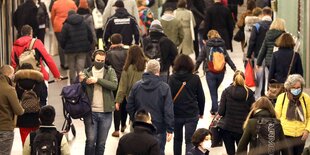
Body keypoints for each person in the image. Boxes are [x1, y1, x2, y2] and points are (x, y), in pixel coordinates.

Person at [126, 60, 174, 155]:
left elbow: (129, 105)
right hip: (159, 128)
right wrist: (170, 128)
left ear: (146, 70)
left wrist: (134, 119)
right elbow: (168, 110)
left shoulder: (137, 86)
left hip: (140, 126)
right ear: (158, 71)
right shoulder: (164, 88)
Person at [11, 25, 61, 106]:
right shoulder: (36, 42)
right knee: (42, 100)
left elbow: (13, 65)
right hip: (37, 77)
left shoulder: (15, 46)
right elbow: (47, 59)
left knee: (22, 102)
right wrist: (57, 75)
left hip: (21, 80)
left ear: (21, 33)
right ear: (31, 33)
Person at [79, 50, 118, 155]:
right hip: (90, 112)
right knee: (90, 141)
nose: (100, 62)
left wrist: (98, 80)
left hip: (106, 112)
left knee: (101, 143)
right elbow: (80, 90)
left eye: (102, 60)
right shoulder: (86, 71)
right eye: (98, 60)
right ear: (93, 59)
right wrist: (81, 81)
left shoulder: (110, 71)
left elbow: (114, 85)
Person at [168, 54, 205, 155]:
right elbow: (201, 97)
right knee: (189, 140)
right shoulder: (195, 78)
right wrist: (201, 112)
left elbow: (168, 98)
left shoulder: (171, 78)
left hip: (176, 113)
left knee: (177, 139)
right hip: (191, 113)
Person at [195, 30, 236, 115]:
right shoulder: (222, 45)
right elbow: (227, 58)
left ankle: (216, 110)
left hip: (210, 71)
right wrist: (234, 68)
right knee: (214, 91)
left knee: (213, 92)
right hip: (221, 71)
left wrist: (194, 69)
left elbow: (200, 58)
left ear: (209, 37)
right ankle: (214, 109)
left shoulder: (206, 45)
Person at [218, 70, 255, 155]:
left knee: (230, 152)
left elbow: (221, 112)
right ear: (244, 79)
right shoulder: (249, 93)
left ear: (233, 79)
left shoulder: (226, 92)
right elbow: (253, 113)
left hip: (227, 128)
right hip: (242, 130)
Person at [114, 45, 147, 133]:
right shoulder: (146, 66)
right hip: (146, 96)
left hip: (131, 97)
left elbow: (122, 86)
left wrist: (118, 101)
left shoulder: (127, 68)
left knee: (134, 118)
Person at [275, 74, 310, 155]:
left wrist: (307, 130)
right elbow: (276, 117)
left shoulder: (306, 98)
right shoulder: (282, 97)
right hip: (285, 135)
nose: (296, 90)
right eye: (294, 88)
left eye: (298, 88)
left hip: (300, 136)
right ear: (288, 87)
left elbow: (309, 116)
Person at [60, 10, 94, 84]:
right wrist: (88, 44)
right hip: (82, 49)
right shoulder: (84, 23)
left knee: (72, 69)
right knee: (80, 68)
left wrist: (64, 47)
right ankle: (81, 85)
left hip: (70, 51)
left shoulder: (66, 25)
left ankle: (73, 85)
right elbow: (90, 35)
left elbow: (62, 38)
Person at [246, 7, 273, 99]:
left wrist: (249, 54)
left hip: (259, 55)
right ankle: (270, 94)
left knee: (259, 77)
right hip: (271, 56)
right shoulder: (274, 25)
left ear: (262, 14)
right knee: (270, 75)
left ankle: (257, 96)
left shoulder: (257, 26)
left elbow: (252, 41)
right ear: (271, 14)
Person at [14, 63, 44, 146]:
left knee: (25, 141)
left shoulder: (17, 82)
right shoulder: (39, 81)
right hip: (36, 114)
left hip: (22, 114)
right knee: (36, 139)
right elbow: (44, 96)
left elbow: (15, 98)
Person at [105, 34, 128, 137]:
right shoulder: (127, 52)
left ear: (111, 42)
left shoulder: (109, 53)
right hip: (125, 79)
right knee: (124, 103)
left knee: (117, 103)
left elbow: (105, 66)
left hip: (114, 80)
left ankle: (116, 129)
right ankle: (123, 124)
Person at [0, 65, 24, 155]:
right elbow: (18, 111)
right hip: (5, 129)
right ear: (9, 75)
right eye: (13, 74)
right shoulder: (9, 89)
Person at [51, 0, 77, 70]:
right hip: (70, 25)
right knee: (71, 43)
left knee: (61, 44)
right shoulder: (72, 2)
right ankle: (71, 62)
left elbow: (52, 16)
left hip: (58, 26)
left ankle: (63, 63)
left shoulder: (56, 3)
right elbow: (76, 14)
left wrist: (54, 26)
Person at [77, 0, 97, 68]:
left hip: (79, 41)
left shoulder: (76, 17)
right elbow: (92, 31)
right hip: (88, 41)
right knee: (89, 59)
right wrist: (94, 41)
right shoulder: (89, 17)